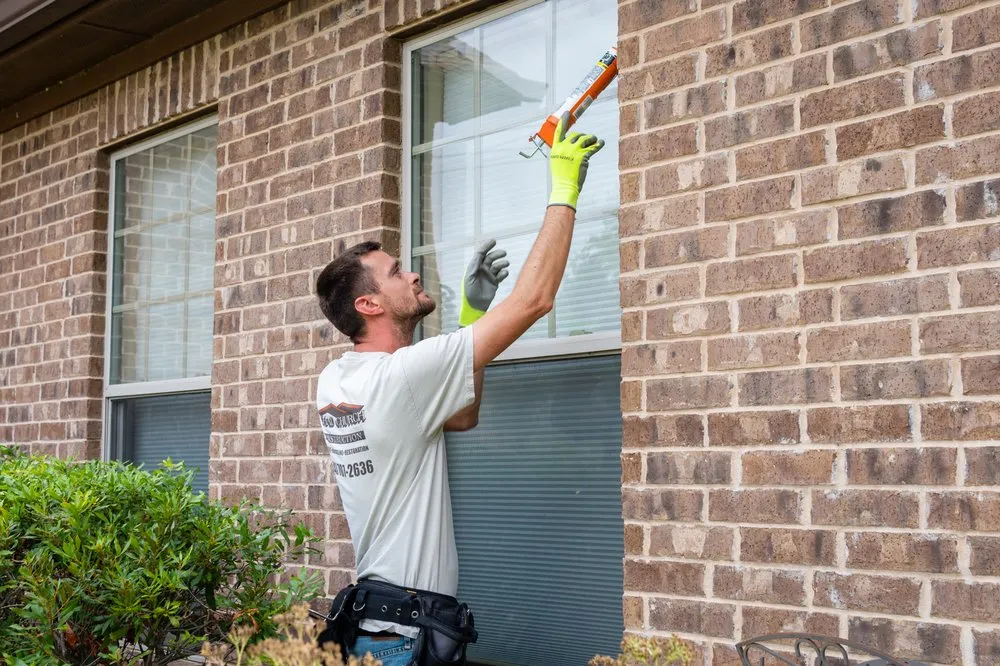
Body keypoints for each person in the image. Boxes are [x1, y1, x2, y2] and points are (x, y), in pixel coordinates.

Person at [312, 112, 605, 666]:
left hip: (383, 626)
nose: (414, 275)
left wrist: (472, 314)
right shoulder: (401, 376)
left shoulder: (339, 378)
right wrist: (563, 190)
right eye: (397, 273)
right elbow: (535, 301)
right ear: (368, 305)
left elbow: (461, 418)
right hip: (404, 636)